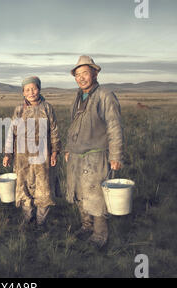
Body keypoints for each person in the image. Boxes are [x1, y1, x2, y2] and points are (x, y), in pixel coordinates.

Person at [64, 56, 124, 248]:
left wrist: (115, 156)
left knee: (96, 196)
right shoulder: (79, 96)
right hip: (77, 155)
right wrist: (68, 149)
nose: (81, 78)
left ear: (95, 73)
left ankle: (99, 235)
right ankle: (86, 227)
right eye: (77, 74)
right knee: (80, 193)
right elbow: (74, 126)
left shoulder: (105, 95)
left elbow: (114, 127)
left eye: (85, 73)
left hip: (96, 155)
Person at [3, 76, 61, 226]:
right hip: (22, 157)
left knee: (43, 188)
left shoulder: (47, 108)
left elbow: (54, 131)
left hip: (43, 156)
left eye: (34, 88)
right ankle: (28, 218)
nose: (31, 92)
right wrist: (8, 154)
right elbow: (11, 133)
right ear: (23, 92)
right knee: (24, 188)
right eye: (27, 89)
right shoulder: (19, 110)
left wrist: (55, 151)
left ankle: (41, 221)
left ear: (39, 89)